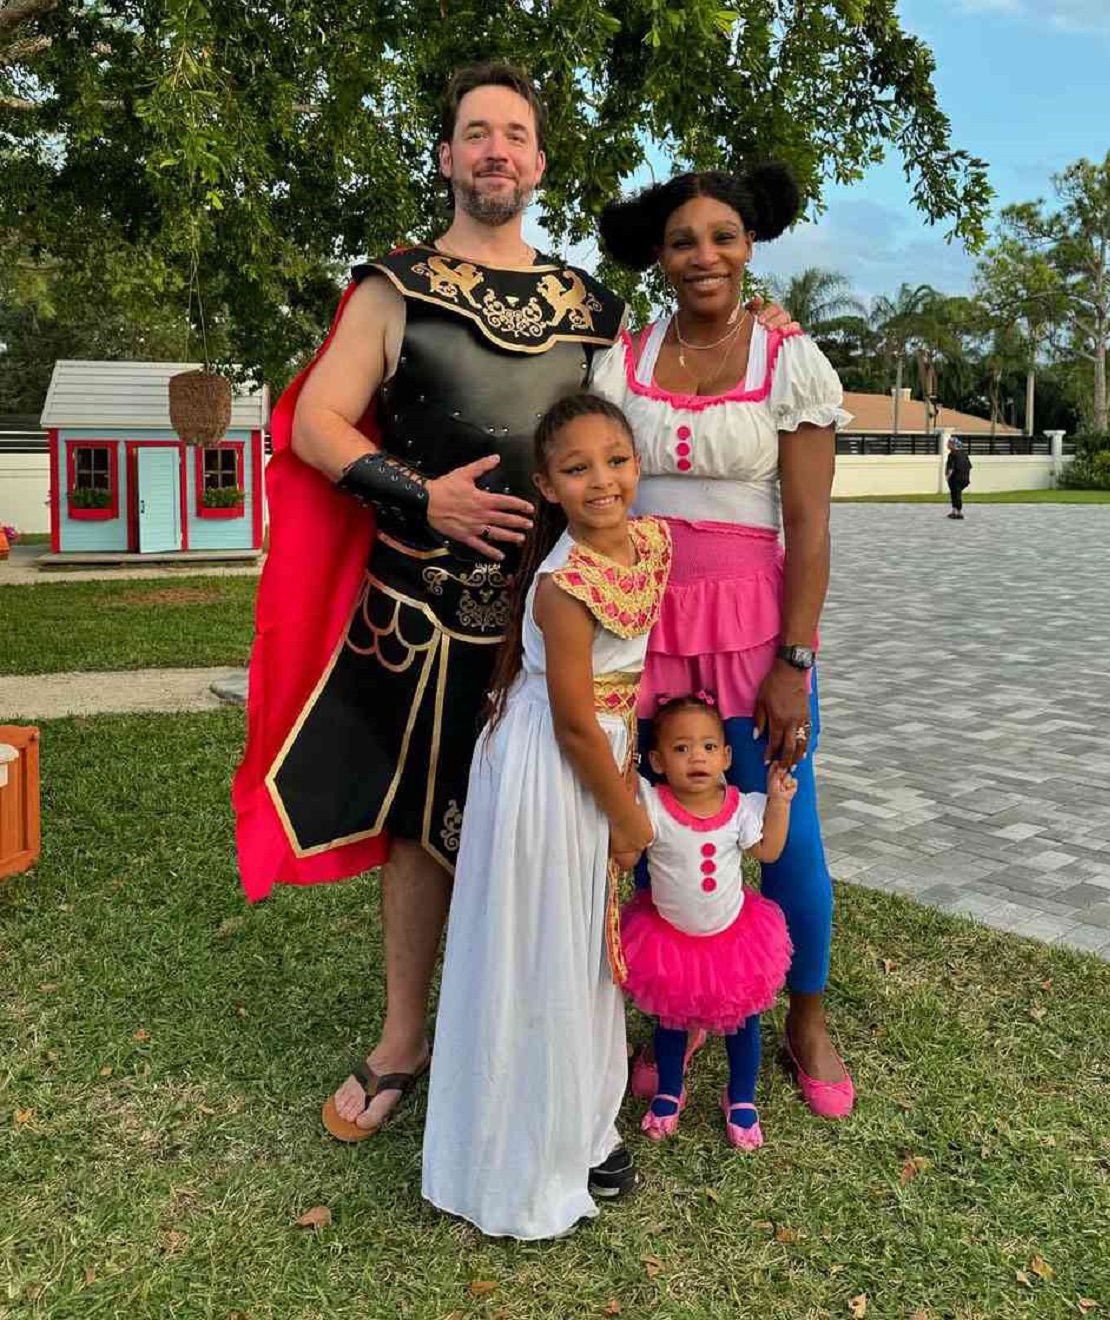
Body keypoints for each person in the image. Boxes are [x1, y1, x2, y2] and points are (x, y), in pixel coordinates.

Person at [231, 64, 636, 1165]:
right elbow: (317, 421)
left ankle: (548, 1041)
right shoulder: (394, 286)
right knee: (418, 828)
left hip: (551, 621)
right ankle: (405, 1040)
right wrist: (425, 496)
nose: (496, 150)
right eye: (475, 134)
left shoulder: (594, 312)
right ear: (450, 158)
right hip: (415, 614)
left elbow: (645, 429)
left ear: (539, 162)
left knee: (555, 829)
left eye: (514, 134)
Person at [593, 161, 856, 1119]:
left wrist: (795, 659)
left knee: (785, 836)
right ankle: (664, 1011)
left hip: (755, 637)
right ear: (659, 258)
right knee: (633, 825)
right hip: (640, 622)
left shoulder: (790, 360)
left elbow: (812, 528)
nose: (703, 255)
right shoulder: (620, 360)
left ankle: (806, 1018)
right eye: (682, 240)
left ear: (751, 246)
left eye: (722, 236)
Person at [421, 393, 670, 1239]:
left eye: (616, 460)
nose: (602, 481)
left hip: (605, 749)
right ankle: (525, 1150)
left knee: (585, 950)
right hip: (554, 767)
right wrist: (628, 815)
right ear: (547, 484)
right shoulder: (564, 587)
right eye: (576, 469)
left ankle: (585, 1123)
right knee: (544, 945)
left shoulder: (654, 542)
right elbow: (569, 718)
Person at [620, 693, 795, 1151]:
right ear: (657, 760)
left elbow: (769, 851)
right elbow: (629, 852)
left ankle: (740, 1097)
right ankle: (668, 1089)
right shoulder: (652, 806)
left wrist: (778, 802)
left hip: (733, 939)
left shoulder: (740, 806)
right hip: (668, 939)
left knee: (742, 1022)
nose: (696, 756)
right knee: (671, 1020)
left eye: (708, 747)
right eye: (681, 749)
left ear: (727, 756)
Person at [946, 435, 972, 519]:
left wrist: (948, 477)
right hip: (965, 478)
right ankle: (954, 511)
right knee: (955, 493)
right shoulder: (964, 454)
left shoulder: (952, 454)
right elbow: (969, 466)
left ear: (953, 445)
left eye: (949, 443)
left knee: (956, 494)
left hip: (956, 478)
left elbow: (951, 468)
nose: (947, 444)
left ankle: (959, 513)